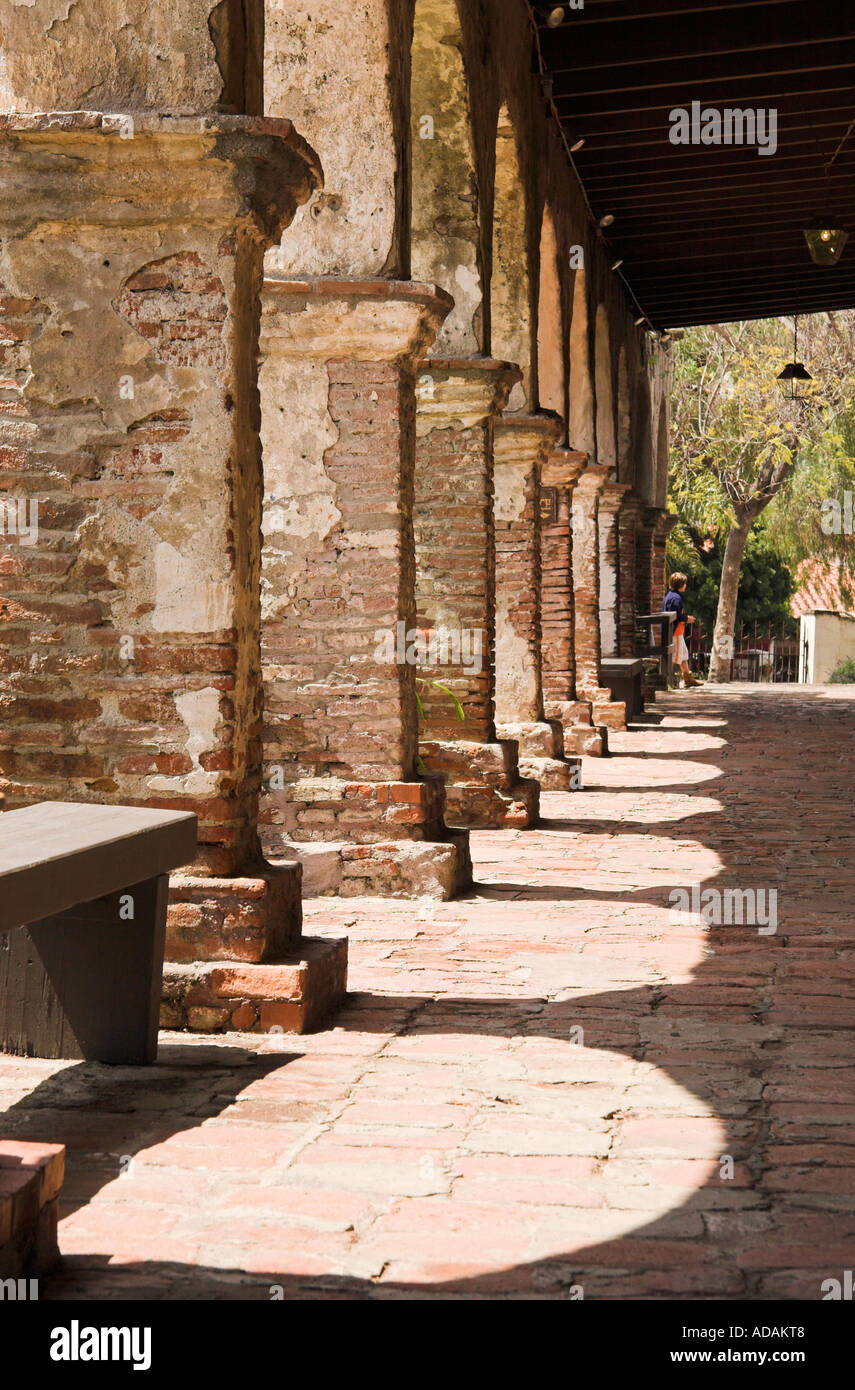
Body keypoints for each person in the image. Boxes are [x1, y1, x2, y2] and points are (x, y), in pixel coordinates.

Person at [663, 572, 701, 688]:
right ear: (681, 585)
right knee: (675, 657)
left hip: (677, 631)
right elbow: (675, 615)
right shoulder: (676, 598)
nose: (685, 586)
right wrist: (686, 618)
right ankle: (668, 680)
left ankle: (688, 678)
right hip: (675, 632)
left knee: (683, 655)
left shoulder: (670, 595)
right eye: (684, 583)